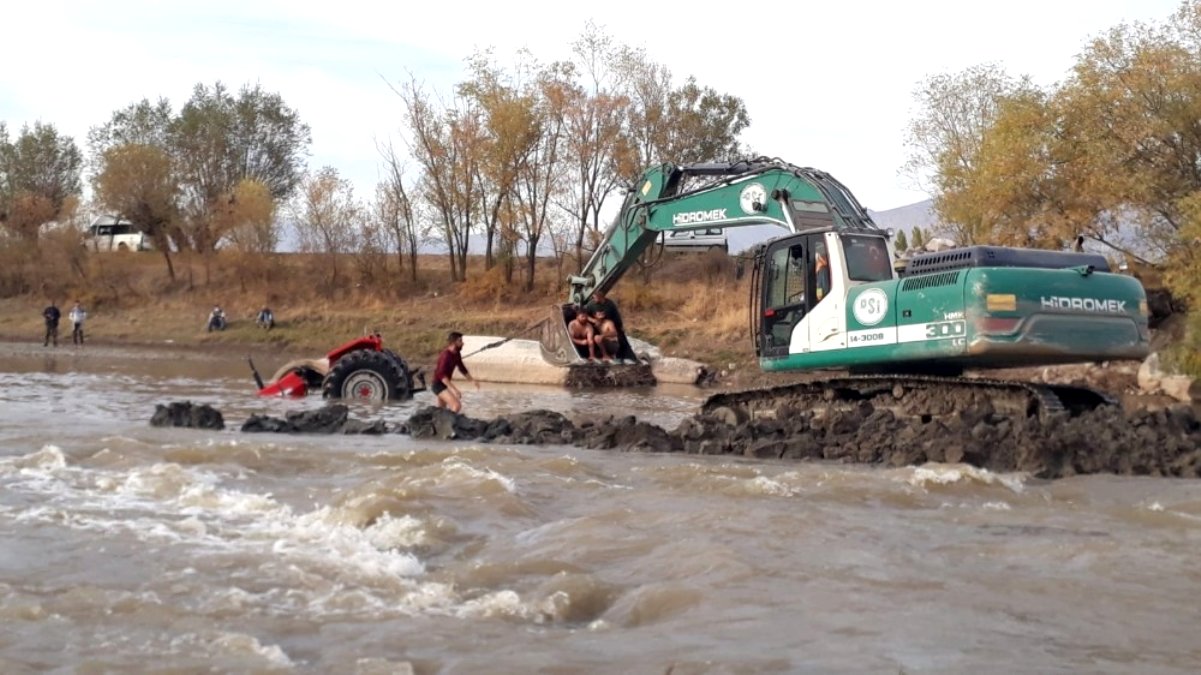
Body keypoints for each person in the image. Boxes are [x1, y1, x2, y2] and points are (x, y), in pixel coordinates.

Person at [432, 331, 478, 413]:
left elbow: (462, 368)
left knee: (441, 411)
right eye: (460, 341)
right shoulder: (446, 355)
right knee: (456, 406)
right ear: (454, 342)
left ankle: (441, 423)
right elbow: (441, 375)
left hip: (443, 385)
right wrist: (455, 390)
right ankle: (451, 423)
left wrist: (472, 380)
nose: (463, 343)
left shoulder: (456, 354)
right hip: (438, 385)